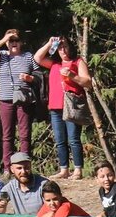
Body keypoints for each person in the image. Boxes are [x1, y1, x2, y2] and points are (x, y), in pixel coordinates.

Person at [33, 35, 93, 180]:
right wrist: (49, 43)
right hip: (55, 106)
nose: (63, 50)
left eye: (65, 46)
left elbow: (88, 82)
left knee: (73, 139)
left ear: (71, 47)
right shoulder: (54, 64)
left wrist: (73, 76)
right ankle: (63, 169)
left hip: (71, 105)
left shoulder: (78, 61)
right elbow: (37, 58)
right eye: (60, 48)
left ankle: (78, 170)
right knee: (60, 140)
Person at [0, 28, 36, 173]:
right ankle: (8, 168)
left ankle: (25, 166)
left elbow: (38, 76)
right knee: (7, 135)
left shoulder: (28, 56)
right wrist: (3, 40)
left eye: (16, 40)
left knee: (24, 134)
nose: (13, 43)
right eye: (11, 41)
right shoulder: (2, 56)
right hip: (6, 99)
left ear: (21, 42)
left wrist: (29, 78)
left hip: (24, 99)